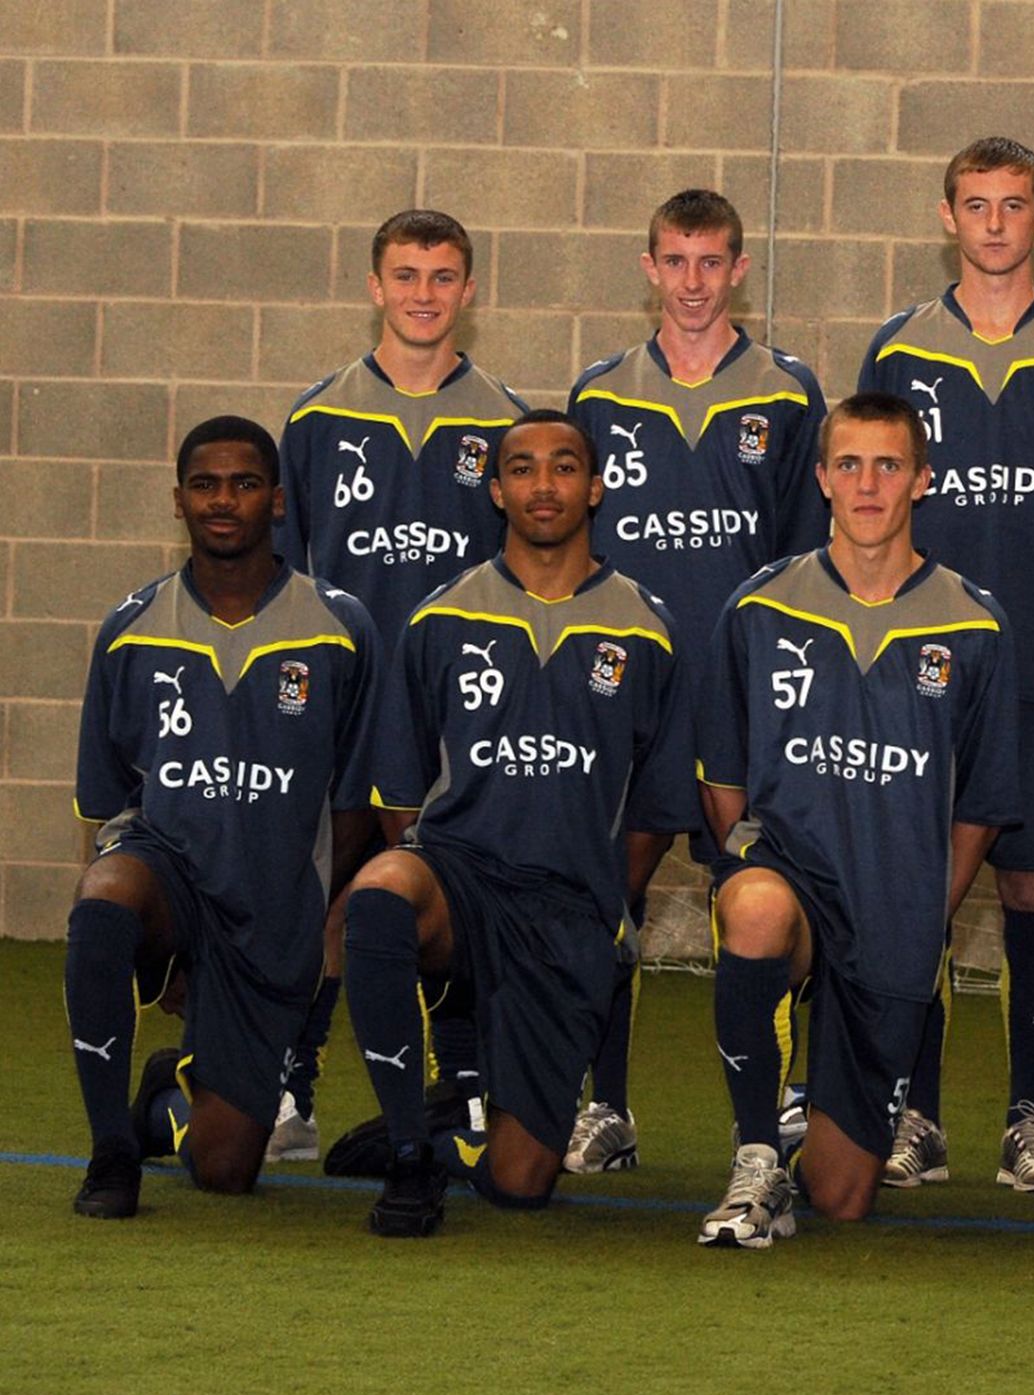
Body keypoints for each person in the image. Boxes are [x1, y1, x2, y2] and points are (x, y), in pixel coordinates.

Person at [336, 411, 694, 1236]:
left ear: (595, 486)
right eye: (523, 469)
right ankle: (408, 1155)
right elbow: (399, 794)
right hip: (462, 878)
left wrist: (600, 903)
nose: (543, 485)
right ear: (496, 489)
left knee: (520, 1182)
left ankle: (455, 1132)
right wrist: (434, 908)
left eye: (563, 467)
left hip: (567, 911)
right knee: (382, 893)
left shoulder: (648, 627)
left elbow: (654, 812)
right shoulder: (439, 619)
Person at [855, 136, 1034, 1195]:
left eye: (1013, 205)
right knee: (919, 881)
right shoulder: (899, 350)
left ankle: (1029, 1113)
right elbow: (872, 504)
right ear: (948, 217)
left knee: (1031, 882)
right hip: (913, 665)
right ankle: (911, 1108)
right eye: (976, 205)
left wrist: (1018, 613)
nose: (995, 224)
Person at [695, 393, 1018, 1249]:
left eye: (887, 465)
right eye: (849, 464)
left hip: (894, 915)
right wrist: (745, 874)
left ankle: (806, 1144)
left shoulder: (974, 623)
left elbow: (980, 805)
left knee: (842, 1197)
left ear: (922, 479)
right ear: (821, 479)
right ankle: (757, 1154)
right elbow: (724, 777)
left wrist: (927, 909)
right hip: (792, 876)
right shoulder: (762, 608)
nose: (867, 485)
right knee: (758, 909)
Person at [563, 189, 830, 1173]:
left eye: (710, 262)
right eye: (674, 261)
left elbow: (809, 565)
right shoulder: (599, 394)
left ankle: (780, 1104)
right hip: (626, 694)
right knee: (606, 893)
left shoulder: (788, 393)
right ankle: (606, 1107)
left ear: (739, 269)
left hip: (744, 700)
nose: (692, 282)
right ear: (647, 268)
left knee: (759, 894)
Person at [66, 417, 379, 1217]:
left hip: (271, 911)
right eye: (205, 484)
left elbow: (354, 802)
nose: (223, 500)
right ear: (178, 501)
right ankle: (110, 1154)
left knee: (227, 1168)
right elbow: (103, 809)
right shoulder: (130, 628)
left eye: (244, 484)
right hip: (168, 872)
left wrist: (316, 916)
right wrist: (136, 938)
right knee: (104, 896)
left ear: (276, 501)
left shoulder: (340, 627)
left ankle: (163, 1100)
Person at [271, 210, 524, 1159]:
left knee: (441, 889)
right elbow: (285, 579)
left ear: (470, 291)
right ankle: (294, 1088)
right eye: (406, 275)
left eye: (444, 276)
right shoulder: (317, 415)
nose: (424, 294)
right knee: (323, 890)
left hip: (459, 706)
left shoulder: (505, 421)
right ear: (374, 286)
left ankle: (456, 1089)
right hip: (343, 699)